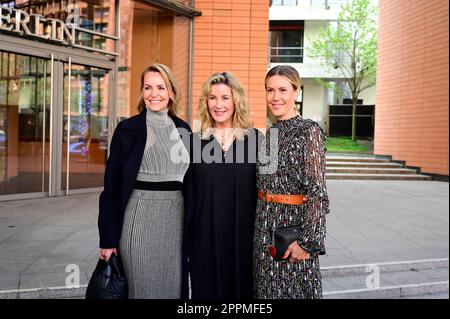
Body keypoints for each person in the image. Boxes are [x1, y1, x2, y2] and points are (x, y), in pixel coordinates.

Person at [98, 63, 191, 299]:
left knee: (172, 289)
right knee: (141, 289)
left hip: (175, 222)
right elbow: (111, 189)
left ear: (171, 91)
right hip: (138, 218)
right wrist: (108, 239)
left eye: (161, 87)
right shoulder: (127, 129)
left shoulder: (184, 130)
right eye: (148, 87)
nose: (153, 94)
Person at [253, 65, 330, 299]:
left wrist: (307, 243)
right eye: (270, 90)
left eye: (283, 90)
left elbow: (317, 191)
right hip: (264, 231)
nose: (276, 97)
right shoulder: (270, 134)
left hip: (291, 235)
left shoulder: (309, 131)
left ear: (297, 92)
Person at [186, 72, 262, 299]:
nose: (218, 105)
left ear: (236, 101)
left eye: (225, 98)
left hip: (245, 239)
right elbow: (186, 194)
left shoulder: (256, 140)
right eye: (212, 98)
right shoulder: (192, 141)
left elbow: (269, 191)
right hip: (204, 239)